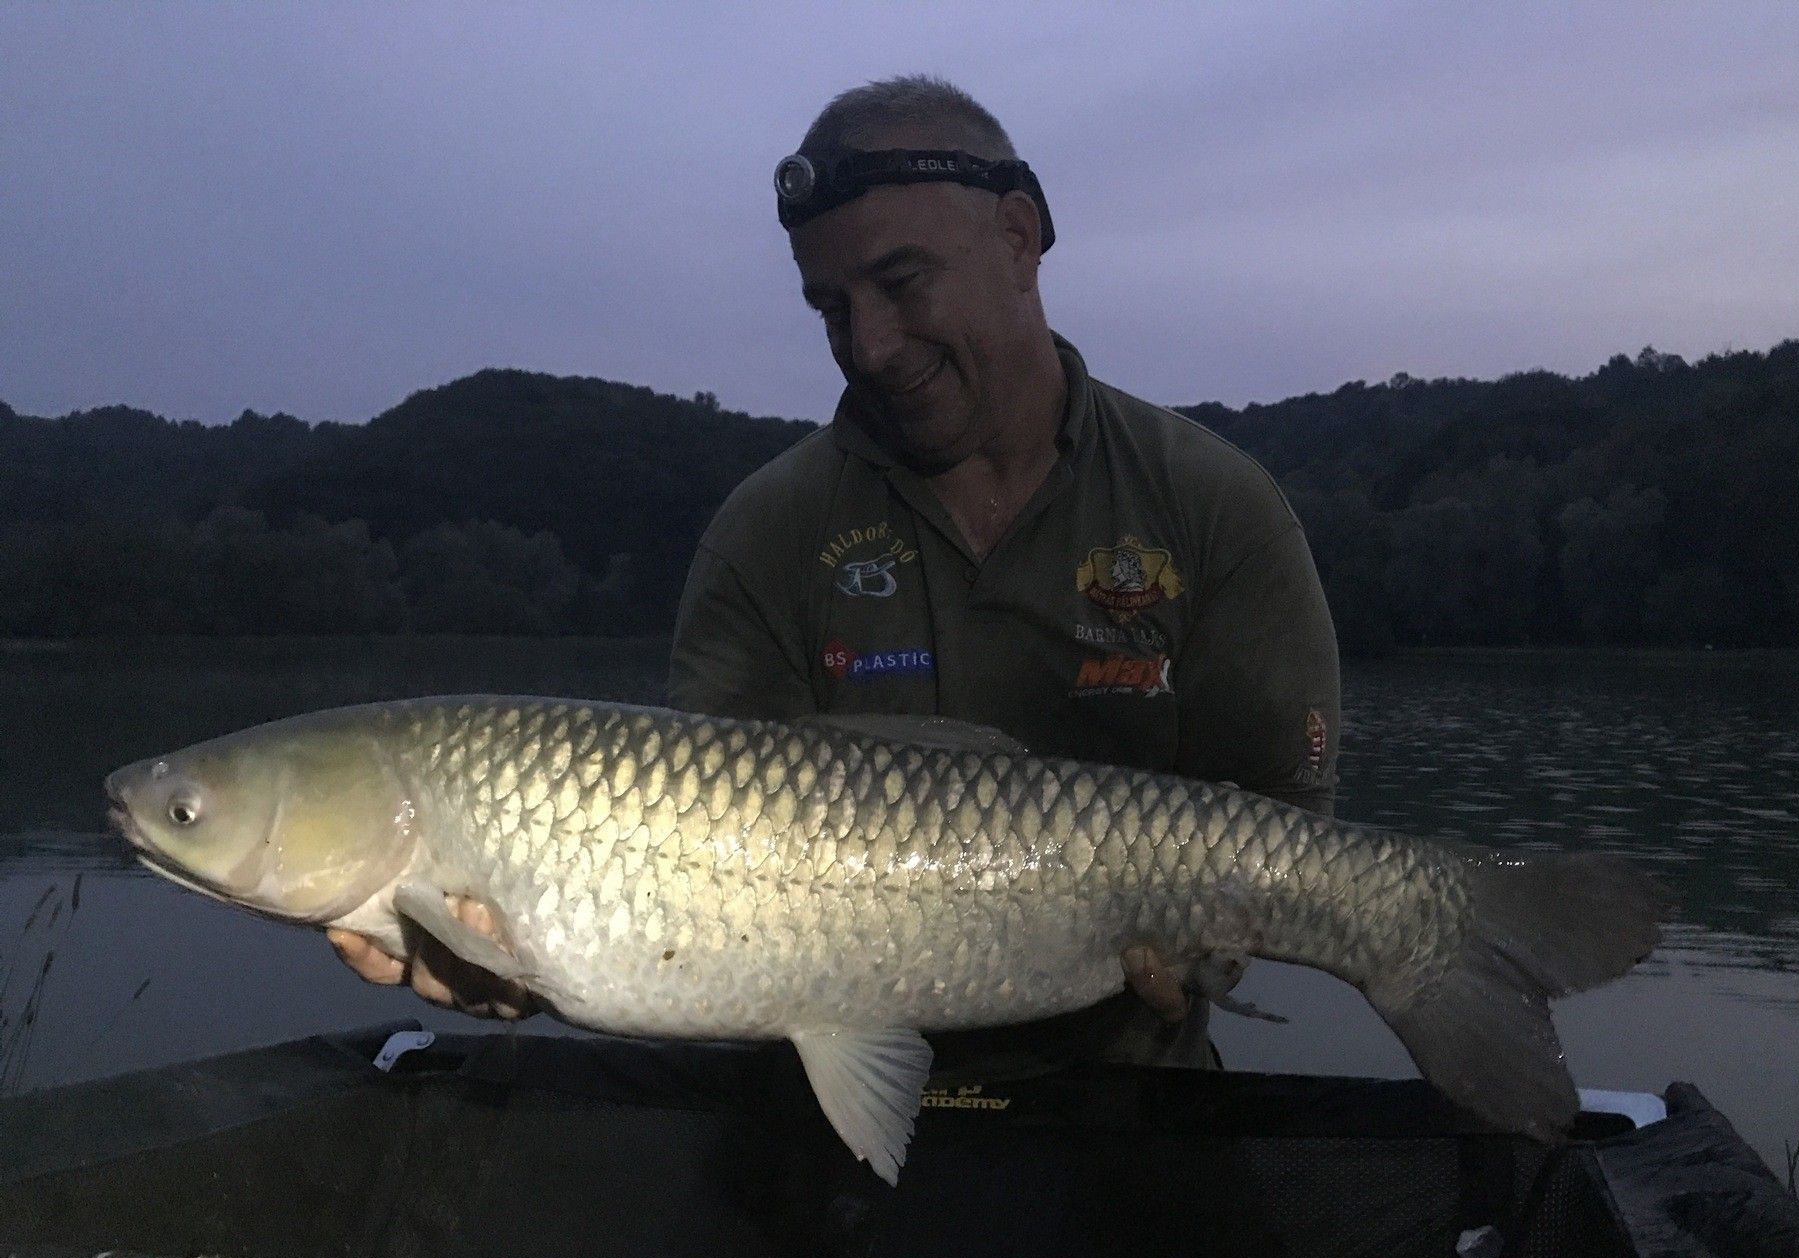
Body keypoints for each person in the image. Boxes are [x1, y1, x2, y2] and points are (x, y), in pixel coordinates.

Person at [331, 76, 1341, 1065]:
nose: (870, 343)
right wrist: (534, 959)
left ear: (1019, 240)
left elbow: (1285, 828)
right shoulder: (768, 536)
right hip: (817, 1122)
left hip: (1137, 1115)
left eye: (902, 285)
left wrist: (1211, 940)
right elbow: (704, 901)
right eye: (830, 307)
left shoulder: (1214, 508)